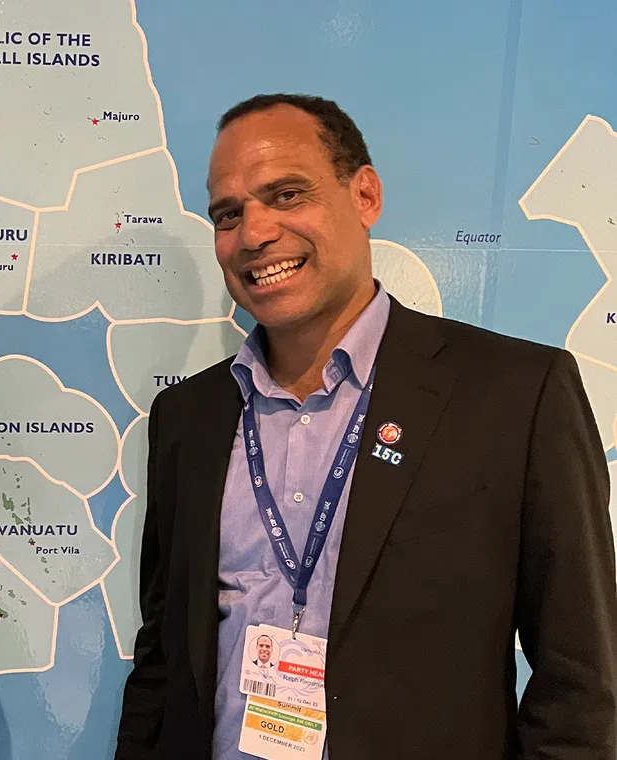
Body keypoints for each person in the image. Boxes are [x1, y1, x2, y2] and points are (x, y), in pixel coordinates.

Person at [115, 93, 617, 759]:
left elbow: (578, 680)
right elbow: (161, 660)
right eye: (227, 214)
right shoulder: (187, 419)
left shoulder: (516, 396)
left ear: (366, 196)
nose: (254, 233)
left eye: (287, 194)